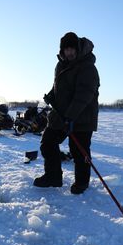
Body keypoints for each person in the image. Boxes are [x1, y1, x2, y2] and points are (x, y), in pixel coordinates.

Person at [34, 32, 100, 194]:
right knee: (48, 142)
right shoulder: (62, 65)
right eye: (66, 49)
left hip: (82, 116)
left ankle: (82, 182)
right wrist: (51, 94)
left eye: (72, 49)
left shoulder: (87, 67)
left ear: (77, 48)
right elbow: (60, 86)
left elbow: (84, 95)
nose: (69, 52)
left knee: (79, 151)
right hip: (60, 115)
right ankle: (53, 176)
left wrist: (70, 117)